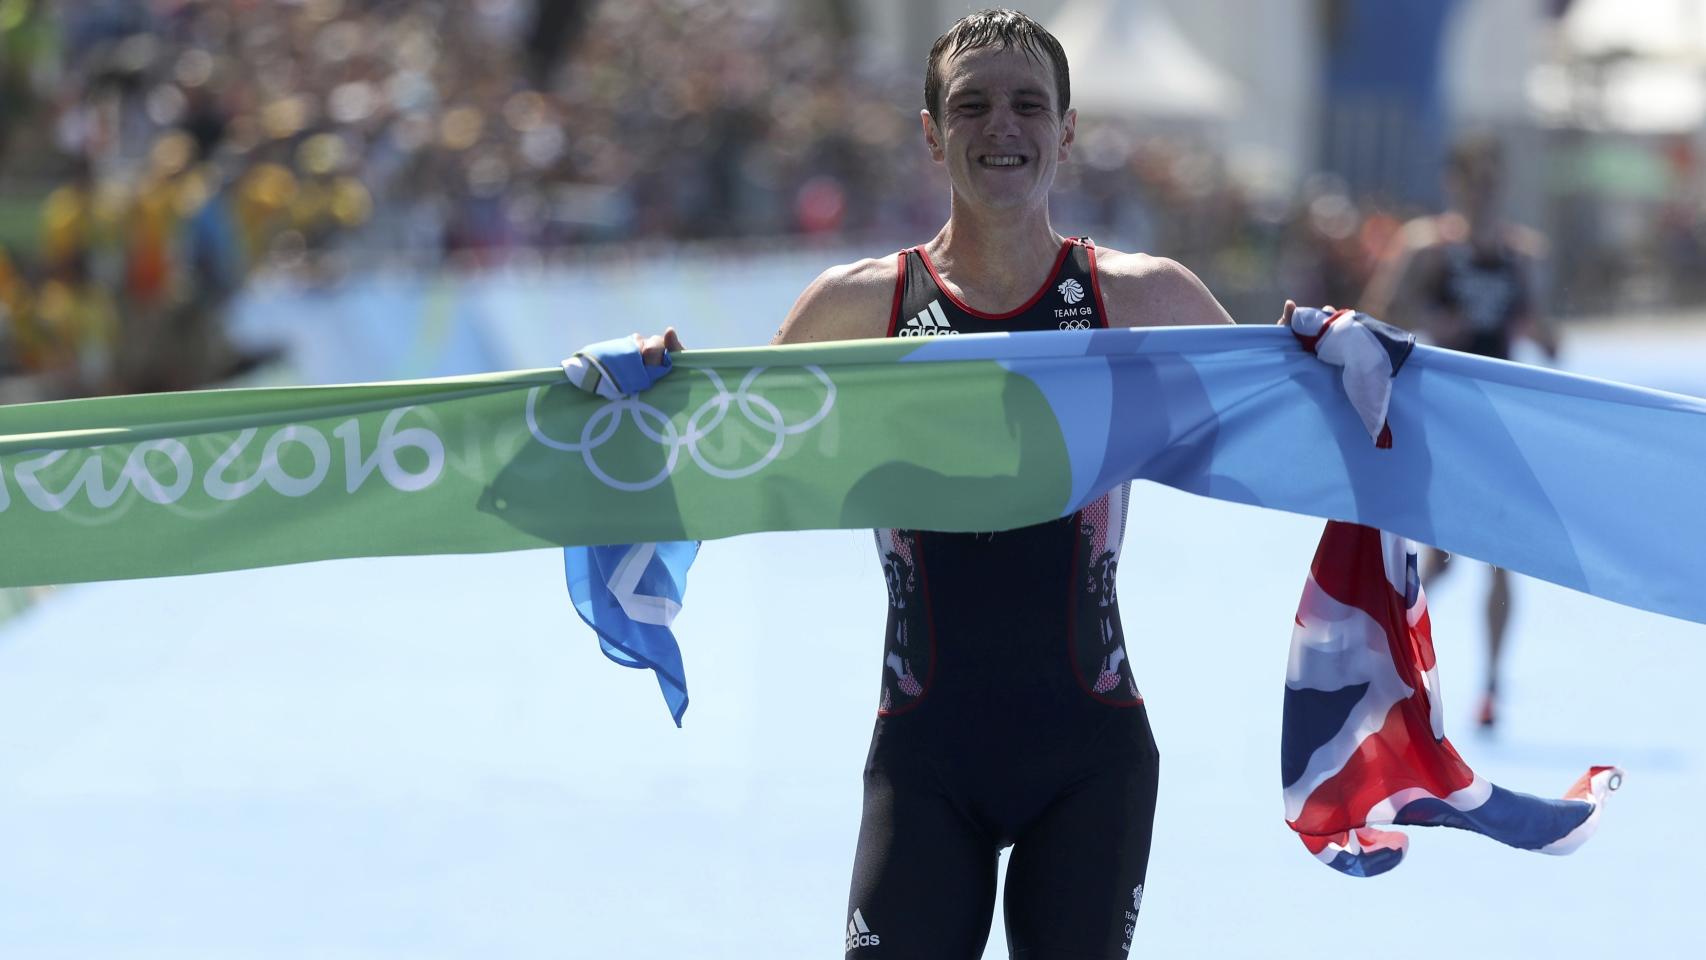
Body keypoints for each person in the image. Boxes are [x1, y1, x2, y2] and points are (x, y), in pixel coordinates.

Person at [636, 10, 1290, 957]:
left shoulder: (1138, 295)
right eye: (972, 105)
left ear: (1067, 131)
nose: (1002, 127)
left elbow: (1286, 422)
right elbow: (729, 442)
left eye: (1030, 105)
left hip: (1092, 757)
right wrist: (645, 384)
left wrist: (1331, 347)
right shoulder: (861, 307)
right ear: (932, 132)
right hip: (924, 759)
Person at [1360, 134, 1556, 731]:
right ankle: (1389, 657)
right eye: (1473, 183)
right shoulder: (1428, 248)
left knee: (1503, 560)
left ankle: (1492, 686)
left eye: (1491, 183)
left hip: (1497, 423)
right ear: (1455, 185)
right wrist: (1433, 318)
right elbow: (1371, 317)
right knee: (1438, 561)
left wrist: (1537, 326)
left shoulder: (1523, 254)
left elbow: (1550, 338)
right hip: (1442, 422)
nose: (1483, 194)